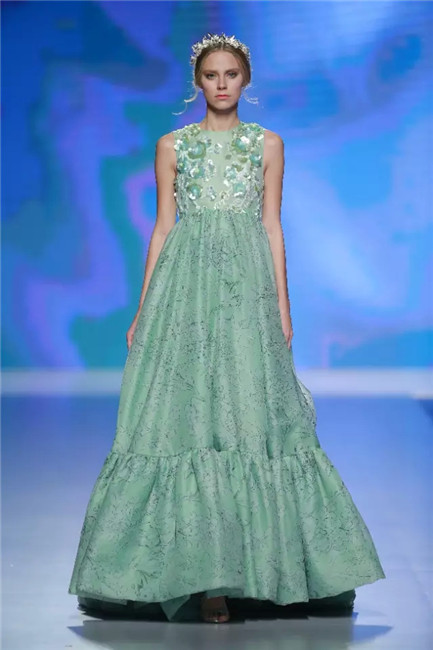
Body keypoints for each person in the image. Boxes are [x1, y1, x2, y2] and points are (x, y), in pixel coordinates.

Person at [68, 32, 385, 624]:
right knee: (186, 417)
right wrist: (143, 308)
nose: (221, 84)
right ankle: (204, 579)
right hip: (183, 291)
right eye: (211, 75)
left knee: (249, 416)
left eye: (230, 75)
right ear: (198, 81)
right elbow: (164, 228)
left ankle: (255, 572)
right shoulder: (173, 146)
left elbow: (272, 226)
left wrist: (282, 306)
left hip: (246, 291)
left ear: (245, 80)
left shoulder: (267, 145)